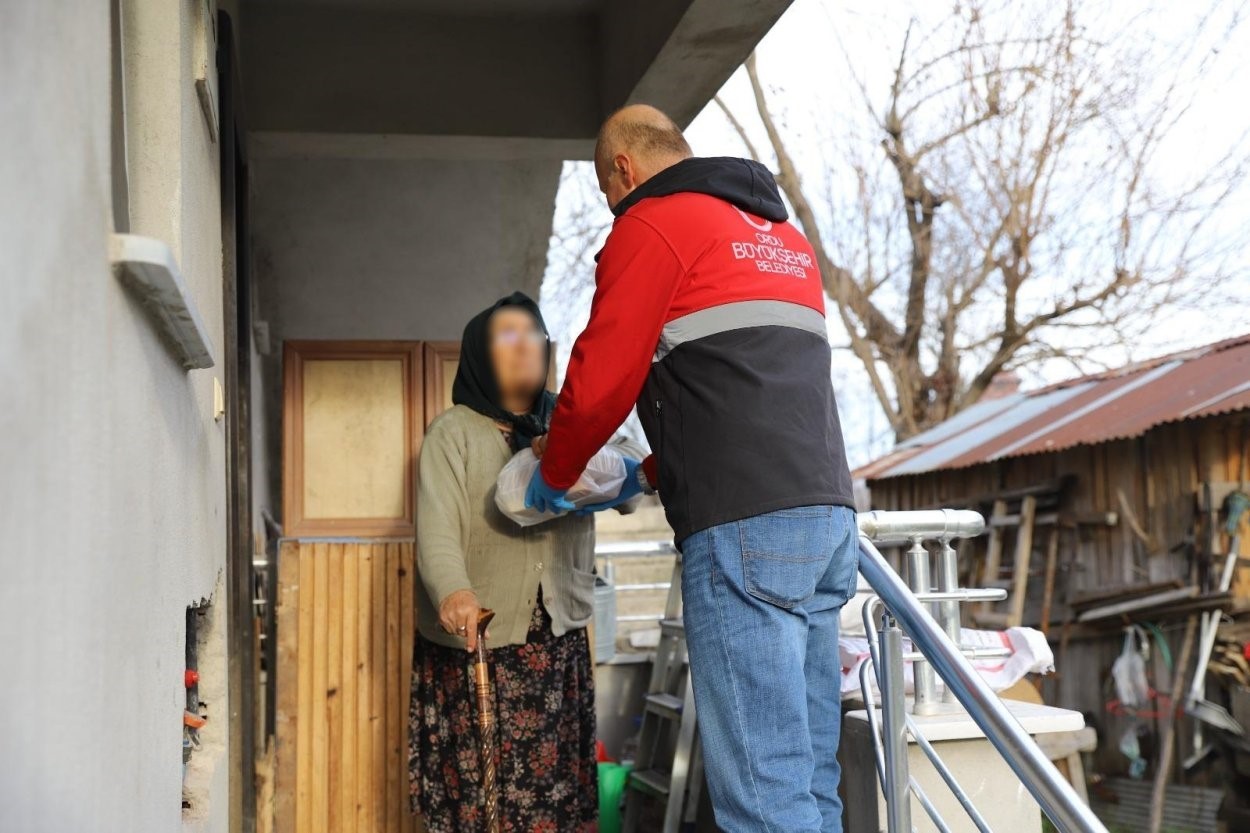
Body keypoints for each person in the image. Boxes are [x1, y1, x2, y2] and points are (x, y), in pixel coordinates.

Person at [525, 106, 858, 832]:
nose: (616, 213)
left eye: (611, 199)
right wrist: (655, 465)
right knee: (808, 780)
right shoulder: (781, 238)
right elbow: (745, 388)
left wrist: (555, 473)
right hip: (827, 520)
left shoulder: (655, 223)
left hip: (746, 530)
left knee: (766, 797)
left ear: (623, 170)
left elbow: (600, 381)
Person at [410, 292, 643, 833]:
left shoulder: (572, 416)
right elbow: (438, 530)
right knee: (484, 801)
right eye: (507, 336)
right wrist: (453, 591)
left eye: (533, 335)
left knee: (559, 794)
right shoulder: (453, 432)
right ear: (478, 353)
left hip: (558, 643)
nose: (525, 347)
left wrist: (585, 453)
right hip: (481, 642)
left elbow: (629, 480)